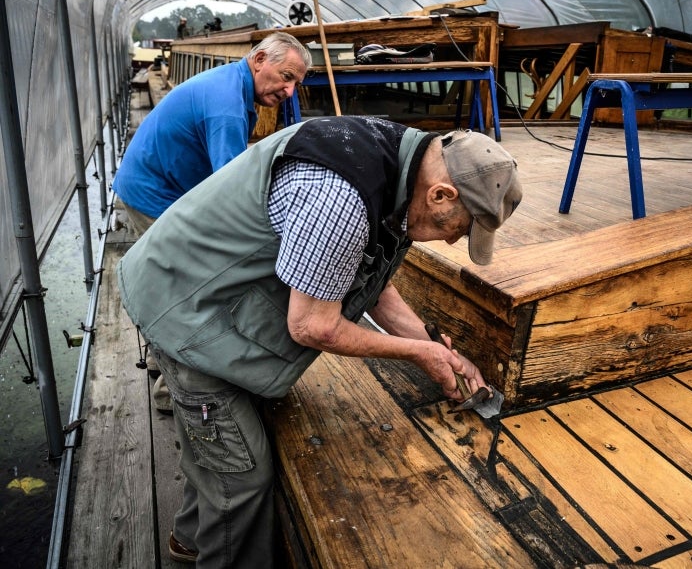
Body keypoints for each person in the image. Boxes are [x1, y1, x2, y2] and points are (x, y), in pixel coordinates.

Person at [116, 116, 522, 567]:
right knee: (243, 477)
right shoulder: (340, 198)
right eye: (462, 229)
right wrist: (419, 353)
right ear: (442, 195)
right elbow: (312, 325)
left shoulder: (399, 163)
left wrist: (439, 348)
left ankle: (190, 541)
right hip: (186, 312)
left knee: (217, 455)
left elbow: (366, 279)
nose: (452, 240)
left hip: (203, 294)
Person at [113, 31, 310, 412]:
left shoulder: (233, 85)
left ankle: (161, 363)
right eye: (286, 77)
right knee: (190, 292)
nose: (289, 92)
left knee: (180, 284)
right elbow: (233, 194)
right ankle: (175, 391)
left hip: (162, 184)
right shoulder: (227, 108)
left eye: (296, 84)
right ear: (258, 61)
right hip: (152, 195)